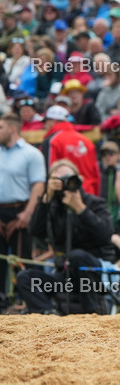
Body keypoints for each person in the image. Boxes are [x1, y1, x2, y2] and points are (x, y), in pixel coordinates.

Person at [16, 160, 117, 314]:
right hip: (65, 276)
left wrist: (80, 209)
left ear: (79, 180)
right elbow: (36, 231)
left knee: (77, 256)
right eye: (57, 180)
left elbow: (106, 235)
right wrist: (46, 199)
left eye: (68, 178)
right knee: (25, 277)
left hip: (93, 274)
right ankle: (48, 313)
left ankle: (92, 314)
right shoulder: (53, 206)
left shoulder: (95, 203)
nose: (64, 183)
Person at [0, 113, 45, 298]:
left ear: (12, 128)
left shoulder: (31, 154)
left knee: (22, 259)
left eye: (0, 127)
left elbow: (39, 185)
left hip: (20, 210)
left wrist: (28, 213)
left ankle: (26, 300)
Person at [41, 104, 100, 195]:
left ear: (53, 121)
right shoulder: (87, 141)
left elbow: (49, 172)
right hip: (88, 194)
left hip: (65, 197)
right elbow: (96, 174)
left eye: (45, 121)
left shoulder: (52, 141)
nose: (44, 126)